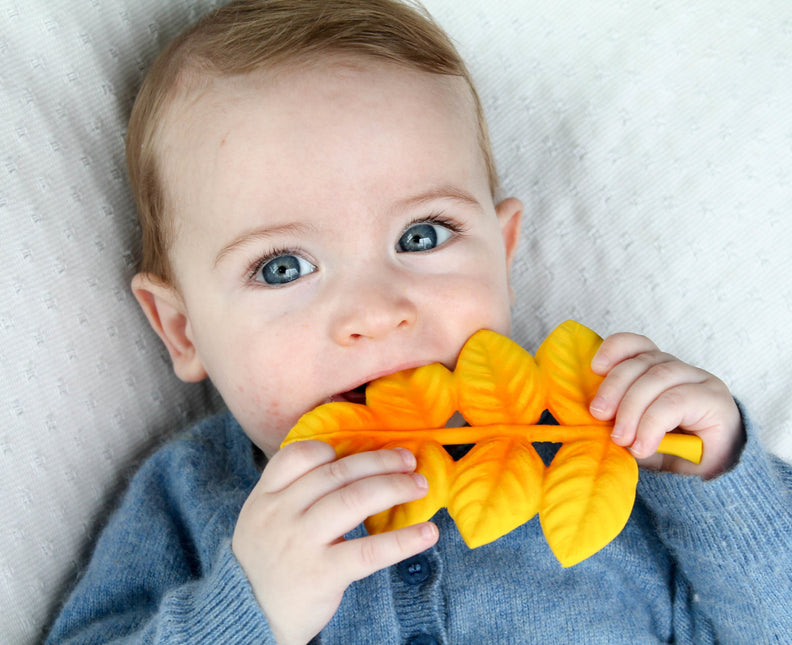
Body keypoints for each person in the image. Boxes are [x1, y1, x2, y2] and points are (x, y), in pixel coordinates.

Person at [47, 0, 792, 643]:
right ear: (182, 330)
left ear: (502, 254)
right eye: (281, 267)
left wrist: (719, 477)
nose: (376, 312)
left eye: (422, 236)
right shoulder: (191, 499)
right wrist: (248, 611)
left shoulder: (611, 446)